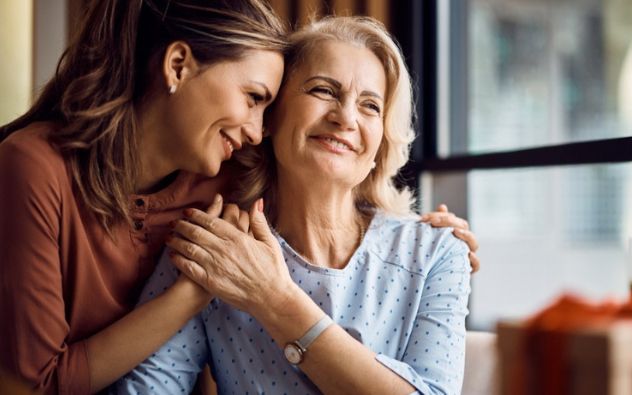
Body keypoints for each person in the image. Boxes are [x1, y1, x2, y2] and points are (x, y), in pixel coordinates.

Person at [0, 1, 477, 393]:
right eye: (321, 91)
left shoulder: (433, 252)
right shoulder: (218, 232)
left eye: (371, 105)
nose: (346, 118)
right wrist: (198, 290)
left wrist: (276, 299)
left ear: (384, 141)